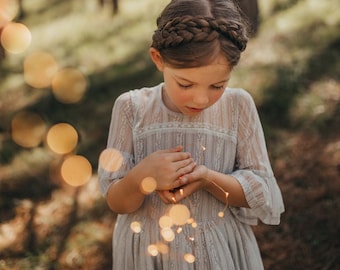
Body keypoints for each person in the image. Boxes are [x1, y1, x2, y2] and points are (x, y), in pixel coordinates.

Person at [98, 0, 284, 269]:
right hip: (150, 254)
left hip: (217, 251)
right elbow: (116, 200)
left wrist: (208, 179)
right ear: (158, 59)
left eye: (218, 85)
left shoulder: (237, 107)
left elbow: (262, 194)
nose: (201, 98)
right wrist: (141, 177)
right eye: (185, 84)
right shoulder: (131, 108)